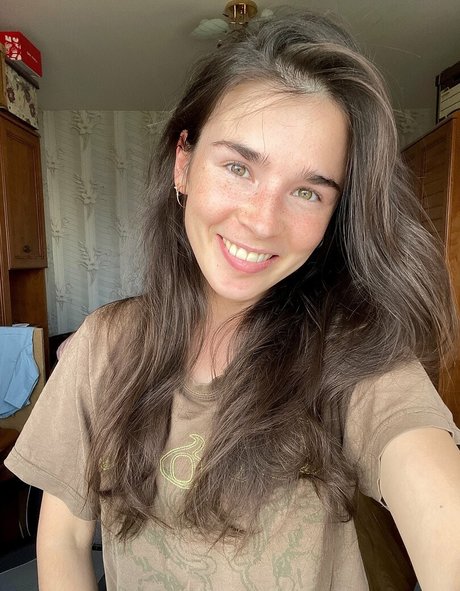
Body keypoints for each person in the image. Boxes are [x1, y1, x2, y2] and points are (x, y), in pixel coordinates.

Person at [5, 10, 460, 591]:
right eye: (239, 167)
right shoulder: (103, 346)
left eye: (307, 192)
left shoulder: (352, 355)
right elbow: (63, 540)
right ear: (184, 164)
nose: (262, 222)